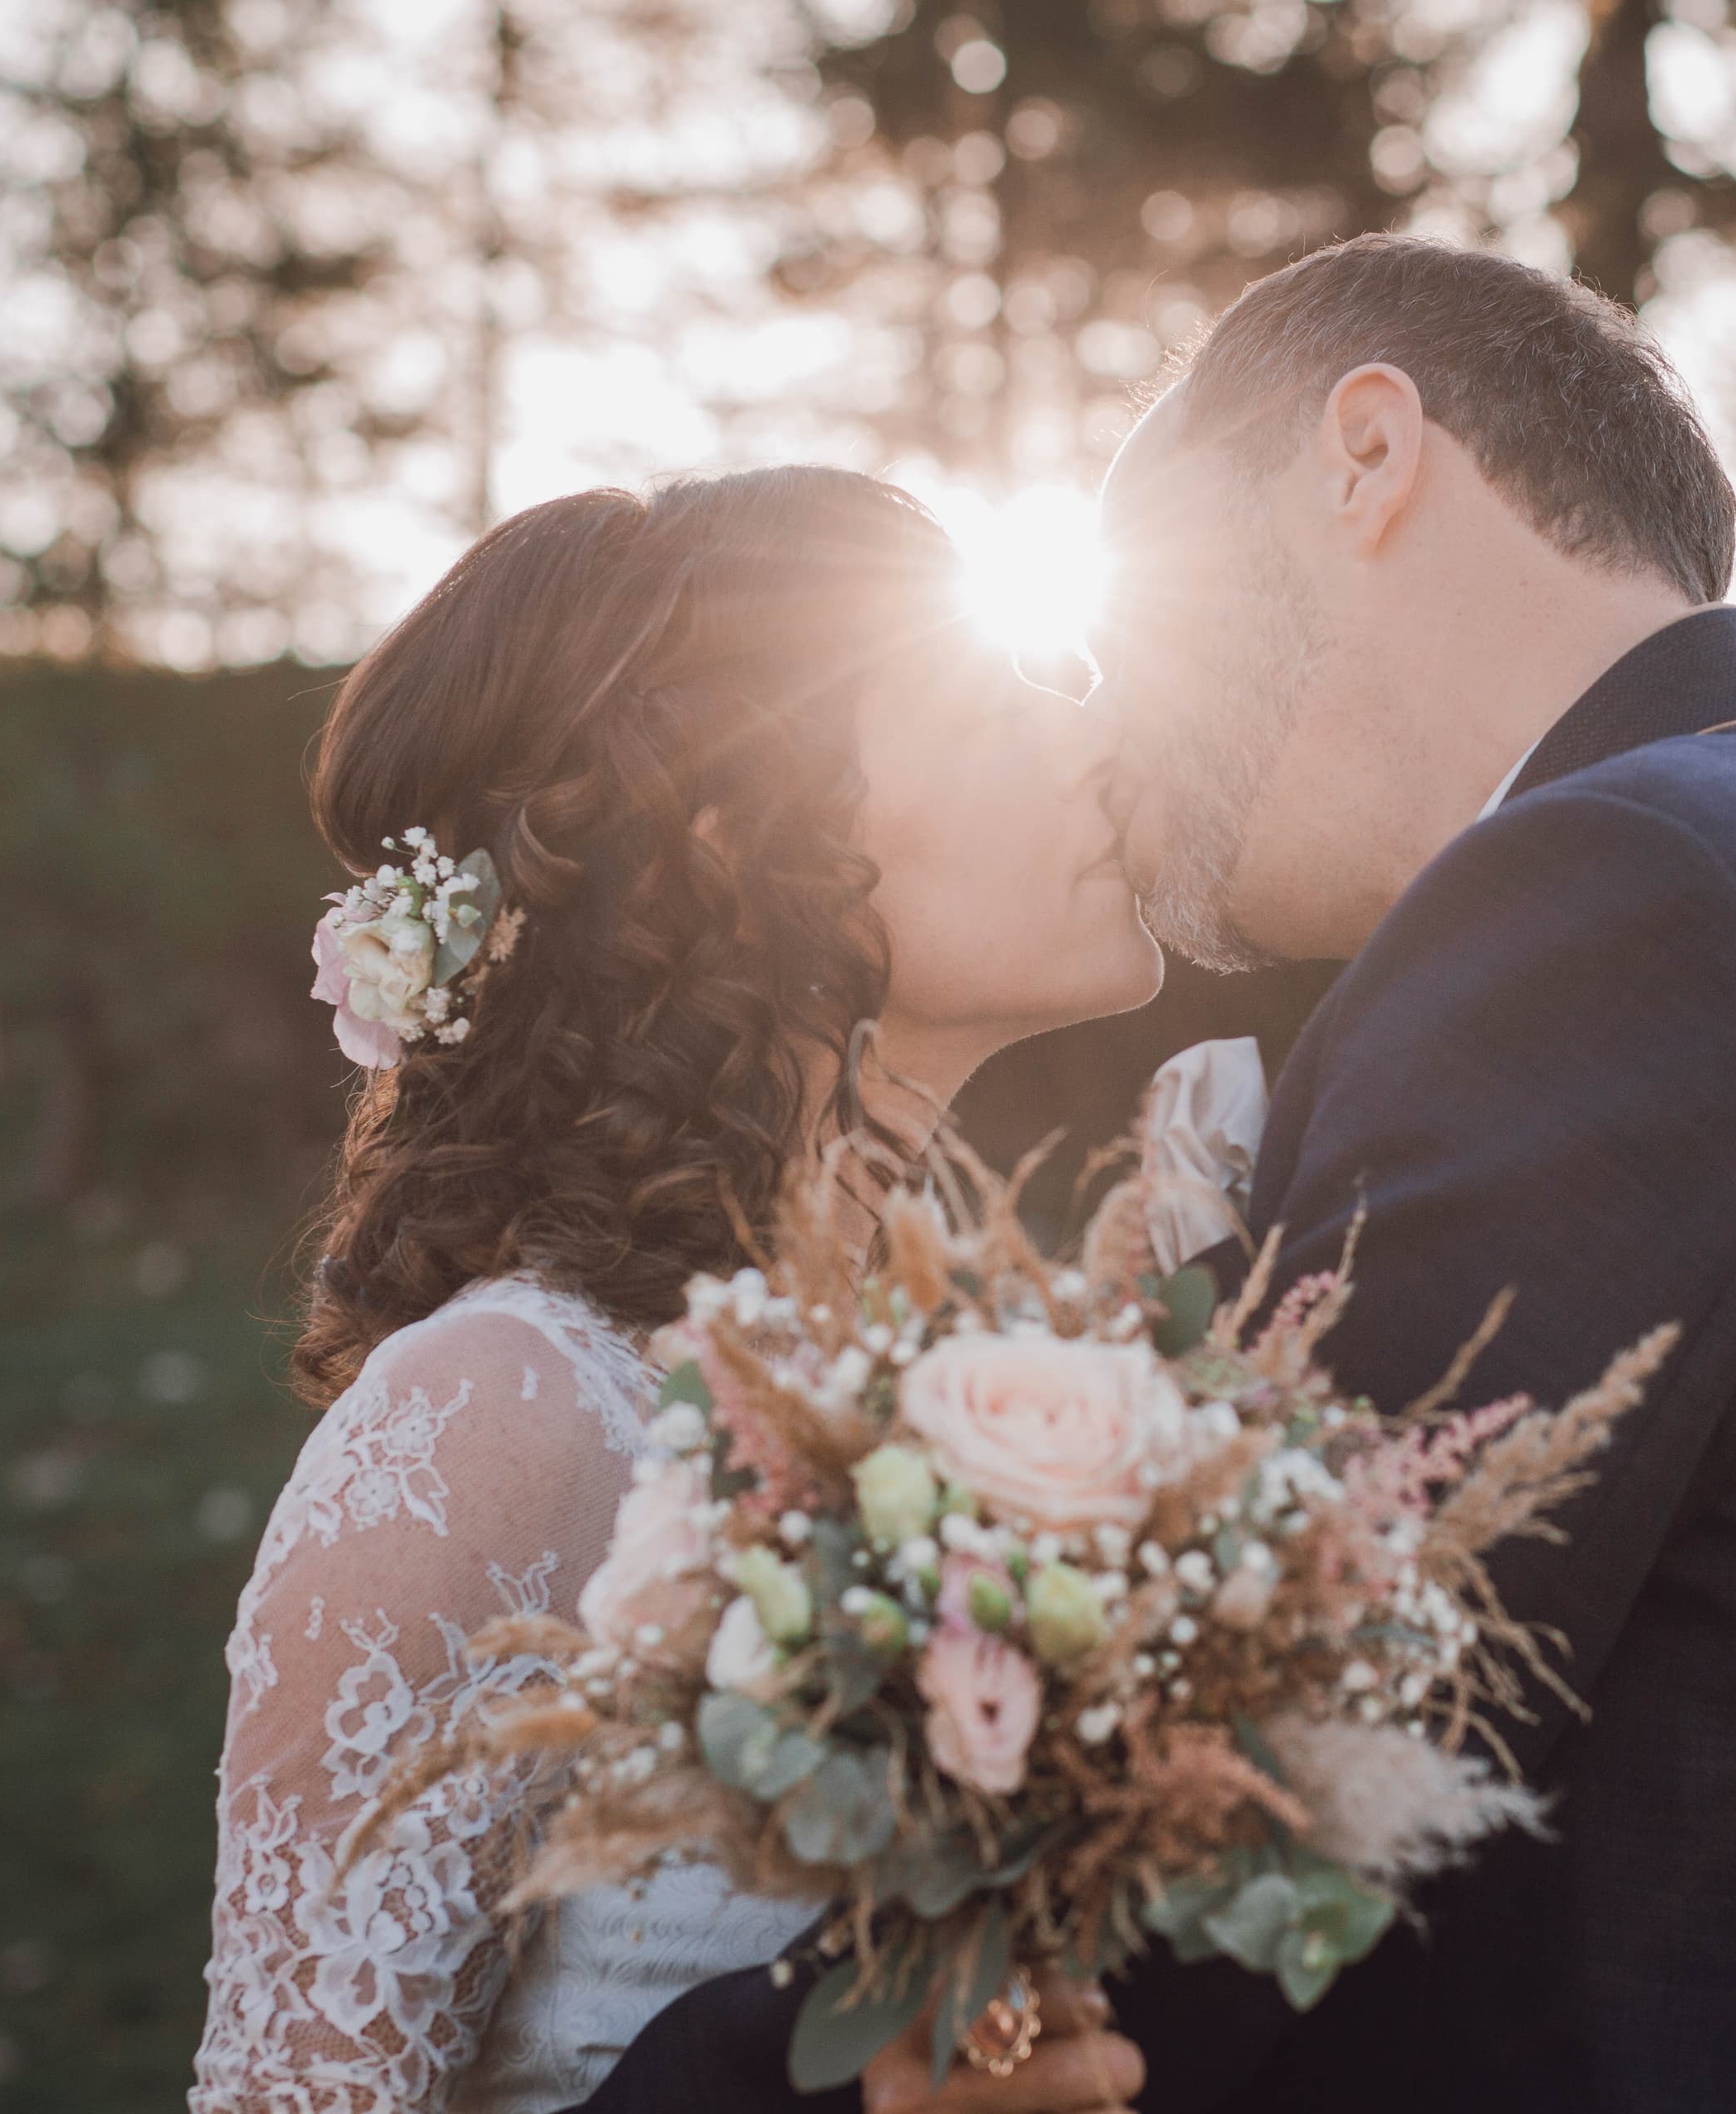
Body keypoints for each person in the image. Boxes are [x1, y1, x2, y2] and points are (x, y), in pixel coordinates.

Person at [568, 235, 1736, 2111]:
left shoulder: (1630, 900)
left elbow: (1212, 1814)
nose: (1125, 731)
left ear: (1365, 456)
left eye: (1148, 604)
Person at [190, 467, 1155, 2114]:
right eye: (983, 706)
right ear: (736, 834)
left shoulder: (983, 1385)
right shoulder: (506, 1415)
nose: (1096, 737)